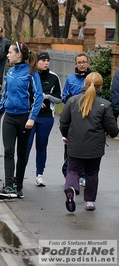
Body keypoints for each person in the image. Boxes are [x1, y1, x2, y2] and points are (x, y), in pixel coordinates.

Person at [60, 72, 118, 212]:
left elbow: (63, 122)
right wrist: (111, 132)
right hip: (95, 145)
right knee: (92, 172)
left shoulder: (72, 101)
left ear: (84, 84)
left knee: (73, 170)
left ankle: (71, 189)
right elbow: (112, 128)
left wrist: (67, 135)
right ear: (101, 86)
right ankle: (90, 201)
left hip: (75, 143)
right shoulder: (105, 104)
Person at [0, 41, 43, 200]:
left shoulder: (31, 73)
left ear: (18, 54)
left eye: (10, 52)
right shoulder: (11, 72)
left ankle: (18, 187)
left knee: (21, 153)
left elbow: (38, 96)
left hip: (24, 118)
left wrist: (32, 118)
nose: (7, 55)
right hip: (9, 117)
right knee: (8, 151)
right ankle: (8, 186)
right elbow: (5, 95)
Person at [26, 52, 62, 187]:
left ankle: (39, 174)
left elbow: (59, 98)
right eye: (43, 60)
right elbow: (25, 92)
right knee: (27, 145)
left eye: (48, 60)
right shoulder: (30, 75)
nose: (46, 63)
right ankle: (20, 173)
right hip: (30, 116)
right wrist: (36, 100)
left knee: (42, 146)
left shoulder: (54, 78)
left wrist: (45, 96)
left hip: (46, 117)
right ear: (37, 62)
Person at [61, 52, 91, 185]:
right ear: (75, 64)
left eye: (84, 62)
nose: (82, 64)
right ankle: (69, 173)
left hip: (89, 117)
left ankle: (84, 175)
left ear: (88, 63)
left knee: (86, 147)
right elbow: (64, 96)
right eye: (79, 62)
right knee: (70, 146)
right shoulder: (70, 79)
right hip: (74, 118)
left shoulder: (92, 79)